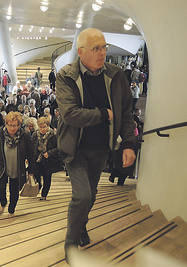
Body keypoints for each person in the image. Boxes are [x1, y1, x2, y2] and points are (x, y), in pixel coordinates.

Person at [55, 28, 137, 262]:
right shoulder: (66, 76)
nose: (102, 53)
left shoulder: (117, 75)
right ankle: (70, 244)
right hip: (75, 147)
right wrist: (103, 114)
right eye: (96, 48)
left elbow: (126, 112)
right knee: (81, 196)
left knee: (90, 195)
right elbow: (70, 114)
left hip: (102, 147)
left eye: (104, 47)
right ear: (81, 52)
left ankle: (81, 225)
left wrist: (129, 143)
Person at [0, 112, 35, 216]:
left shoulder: (25, 135)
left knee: (14, 191)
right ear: (6, 124)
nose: (12, 128)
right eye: (10, 125)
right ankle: (3, 203)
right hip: (1, 167)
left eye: (15, 125)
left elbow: (31, 154)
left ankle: (11, 209)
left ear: (19, 125)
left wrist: (31, 171)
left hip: (17, 168)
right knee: (0, 189)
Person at [32, 116, 63, 200]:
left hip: (49, 160)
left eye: (44, 127)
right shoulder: (35, 134)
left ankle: (44, 195)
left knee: (47, 177)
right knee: (36, 174)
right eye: (40, 127)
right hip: (38, 158)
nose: (42, 129)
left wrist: (49, 153)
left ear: (48, 126)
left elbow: (59, 148)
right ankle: (39, 185)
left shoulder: (53, 135)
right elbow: (32, 147)